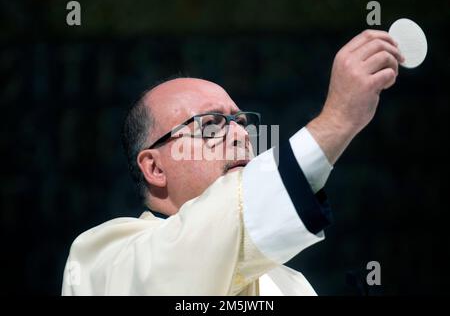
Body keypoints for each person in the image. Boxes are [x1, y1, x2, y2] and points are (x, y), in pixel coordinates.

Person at [62, 30, 404, 295]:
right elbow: (195, 244)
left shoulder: (289, 284)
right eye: (210, 125)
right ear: (154, 167)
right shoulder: (106, 260)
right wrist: (338, 119)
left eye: (241, 122)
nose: (241, 135)